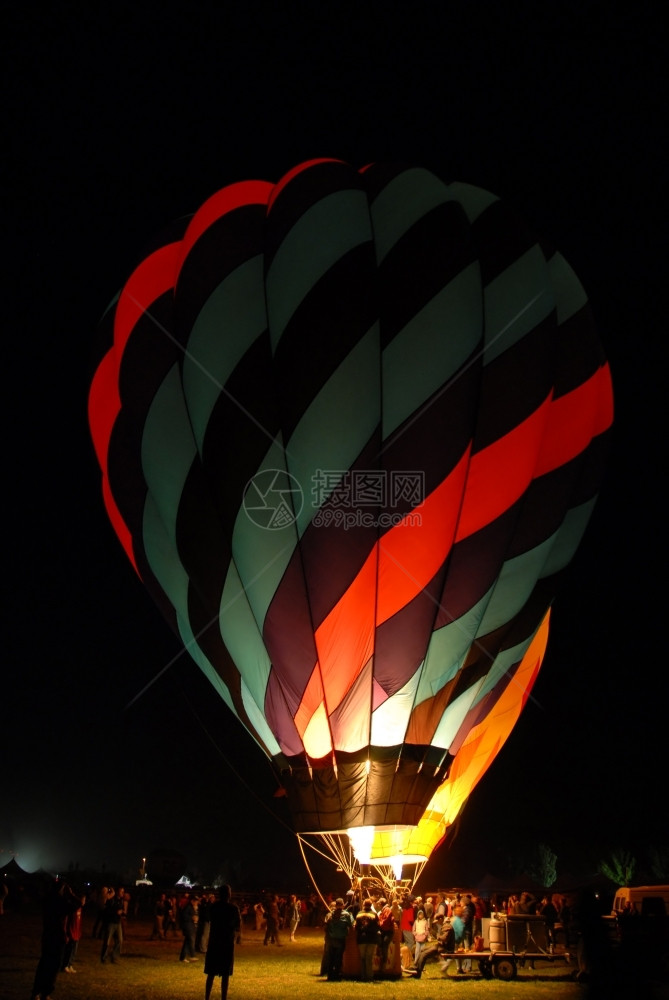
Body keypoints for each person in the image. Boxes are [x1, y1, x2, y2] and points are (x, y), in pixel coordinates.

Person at [31, 879, 85, 1000]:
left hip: (47, 936)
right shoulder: (61, 902)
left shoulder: (47, 900)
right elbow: (79, 904)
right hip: (58, 936)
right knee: (53, 967)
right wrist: (71, 894)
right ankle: (46, 992)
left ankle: (36, 991)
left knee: (44, 964)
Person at [204, 884, 240, 1000]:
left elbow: (209, 919)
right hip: (226, 943)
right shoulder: (233, 909)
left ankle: (207, 997)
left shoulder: (214, 907)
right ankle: (223, 997)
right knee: (225, 974)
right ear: (229, 894)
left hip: (214, 942)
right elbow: (237, 926)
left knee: (211, 973)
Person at [323, 897, 354, 981]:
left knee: (331, 958)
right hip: (340, 939)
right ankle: (337, 975)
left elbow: (325, 926)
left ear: (336, 905)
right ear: (343, 905)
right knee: (338, 958)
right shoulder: (346, 914)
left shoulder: (330, 914)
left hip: (332, 939)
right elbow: (351, 925)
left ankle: (330, 976)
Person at [354, 898, 380, 981]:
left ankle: (363, 975)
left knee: (362, 958)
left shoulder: (359, 914)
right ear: (371, 905)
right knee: (369, 958)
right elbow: (377, 926)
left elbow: (356, 927)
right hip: (371, 939)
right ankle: (369, 976)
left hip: (361, 938)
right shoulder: (374, 914)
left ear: (364, 905)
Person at [100, 887, 124, 964]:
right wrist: (115, 912)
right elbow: (107, 910)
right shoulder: (112, 900)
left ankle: (114, 957)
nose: (122, 893)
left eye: (123, 892)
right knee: (107, 941)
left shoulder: (121, 901)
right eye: (121, 891)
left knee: (119, 940)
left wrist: (122, 914)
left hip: (118, 923)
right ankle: (104, 957)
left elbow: (121, 910)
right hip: (111, 922)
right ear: (117, 892)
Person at [179, 893, 199, 962]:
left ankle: (182, 957)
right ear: (192, 901)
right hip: (188, 927)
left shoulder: (194, 907)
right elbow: (183, 916)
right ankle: (192, 955)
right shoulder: (188, 907)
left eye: (197, 901)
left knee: (187, 943)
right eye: (195, 901)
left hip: (192, 927)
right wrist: (192, 918)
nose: (197, 902)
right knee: (191, 941)